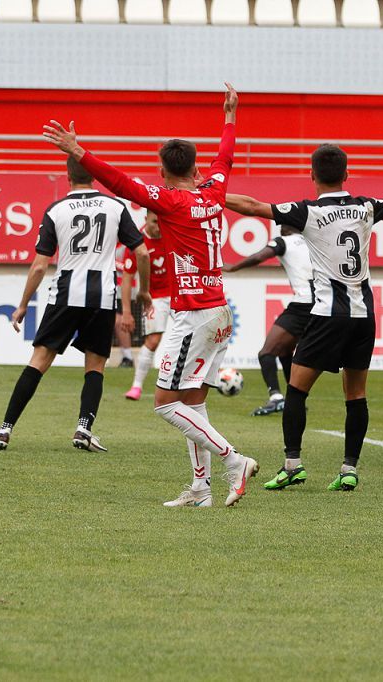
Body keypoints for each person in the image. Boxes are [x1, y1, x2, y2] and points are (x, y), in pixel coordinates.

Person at [41, 83, 260, 508]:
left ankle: (235, 460)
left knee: (163, 404)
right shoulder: (213, 190)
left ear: (162, 171)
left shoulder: (170, 201)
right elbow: (226, 156)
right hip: (218, 310)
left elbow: (120, 183)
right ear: (196, 168)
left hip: (193, 313)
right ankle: (201, 487)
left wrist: (79, 151)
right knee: (194, 403)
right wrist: (230, 116)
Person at [227, 145, 383, 492]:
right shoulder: (364, 207)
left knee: (296, 389)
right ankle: (349, 468)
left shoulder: (307, 212)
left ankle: (292, 465)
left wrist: (210, 193)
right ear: (347, 174)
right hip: (363, 316)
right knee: (356, 395)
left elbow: (252, 206)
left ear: (312, 176)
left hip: (327, 315)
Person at [0, 157, 151, 453]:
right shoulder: (115, 207)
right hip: (102, 297)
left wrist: (23, 304)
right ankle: (84, 428)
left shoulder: (56, 209)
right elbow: (143, 253)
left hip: (65, 295)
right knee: (96, 365)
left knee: (39, 360)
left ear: (67, 176)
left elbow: (39, 266)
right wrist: (145, 292)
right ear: (95, 175)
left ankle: (4, 430)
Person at [222, 225, 313, 416]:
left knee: (266, 353)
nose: (279, 227)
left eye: (281, 223)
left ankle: (276, 398)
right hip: (322, 305)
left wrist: (234, 267)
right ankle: (295, 400)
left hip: (303, 304)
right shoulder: (312, 241)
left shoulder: (283, 242)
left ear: (287, 226)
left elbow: (258, 257)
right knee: (286, 351)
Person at [120, 212, 171, 400]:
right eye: (155, 222)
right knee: (153, 340)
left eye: (162, 222)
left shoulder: (172, 234)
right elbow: (127, 279)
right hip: (154, 297)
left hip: (179, 294)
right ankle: (136, 386)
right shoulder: (137, 243)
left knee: (192, 338)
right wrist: (126, 311)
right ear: (146, 220)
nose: (159, 227)